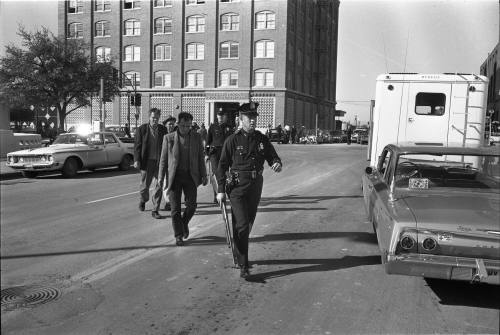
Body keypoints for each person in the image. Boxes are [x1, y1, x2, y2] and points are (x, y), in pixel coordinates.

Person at [216, 101, 282, 278]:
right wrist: (221, 190)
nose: (252, 121)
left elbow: (273, 157)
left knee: (247, 224)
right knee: (243, 225)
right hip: (237, 187)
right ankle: (244, 265)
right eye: (249, 117)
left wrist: (276, 163)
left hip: (255, 186)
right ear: (240, 119)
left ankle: (239, 254)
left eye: (254, 117)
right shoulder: (232, 140)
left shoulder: (262, 139)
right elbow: (221, 166)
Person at [158, 112, 208, 246]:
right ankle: (178, 235)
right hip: (174, 177)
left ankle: (184, 223)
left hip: (191, 176)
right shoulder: (168, 138)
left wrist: (204, 175)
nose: (186, 128)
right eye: (183, 125)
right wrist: (160, 177)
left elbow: (200, 158)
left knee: (191, 206)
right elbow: (163, 160)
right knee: (175, 209)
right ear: (178, 124)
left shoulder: (196, 137)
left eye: (188, 126)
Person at [134, 108, 168, 219]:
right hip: (146, 162)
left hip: (159, 162)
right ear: (149, 117)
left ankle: (155, 209)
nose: (155, 120)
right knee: (144, 187)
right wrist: (136, 160)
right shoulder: (142, 129)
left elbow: (166, 145)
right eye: (153, 117)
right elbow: (137, 146)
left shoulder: (163, 129)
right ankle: (143, 199)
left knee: (159, 185)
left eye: (157, 118)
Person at [206, 108, 234, 203]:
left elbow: (232, 142)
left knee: (224, 173)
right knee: (216, 173)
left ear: (225, 116)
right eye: (219, 115)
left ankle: (222, 193)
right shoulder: (213, 127)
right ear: (217, 116)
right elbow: (208, 141)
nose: (221, 117)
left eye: (222, 115)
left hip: (225, 153)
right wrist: (207, 153)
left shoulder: (229, 127)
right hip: (214, 153)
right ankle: (217, 194)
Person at [161, 115, 177, 211]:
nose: (170, 126)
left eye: (172, 124)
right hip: (164, 162)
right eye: (169, 124)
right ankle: (168, 202)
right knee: (166, 183)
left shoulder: (176, 134)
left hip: (174, 162)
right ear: (165, 125)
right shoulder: (162, 134)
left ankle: (173, 199)